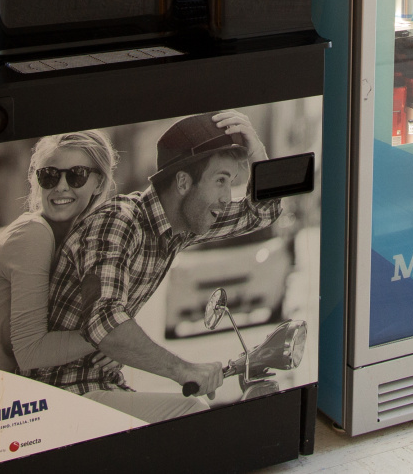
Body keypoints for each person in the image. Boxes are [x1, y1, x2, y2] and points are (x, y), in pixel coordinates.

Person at [34, 110, 279, 422]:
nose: (226, 197)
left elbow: (263, 212)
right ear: (182, 182)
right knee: (191, 412)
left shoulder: (176, 229)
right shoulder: (120, 221)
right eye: (220, 181)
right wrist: (185, 369)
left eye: (230, 182)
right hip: (61, 394)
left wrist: (256, 150)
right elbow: (104, 321)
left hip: (100, 386)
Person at [0, 130, 116, 374]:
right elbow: (32, 351)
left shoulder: (75, 242)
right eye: (49, 176)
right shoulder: (34, 233)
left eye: (76, 175)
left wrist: (106, 349)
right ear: (38, 181)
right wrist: (109, 339)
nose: (61, 187)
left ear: (98, 183)